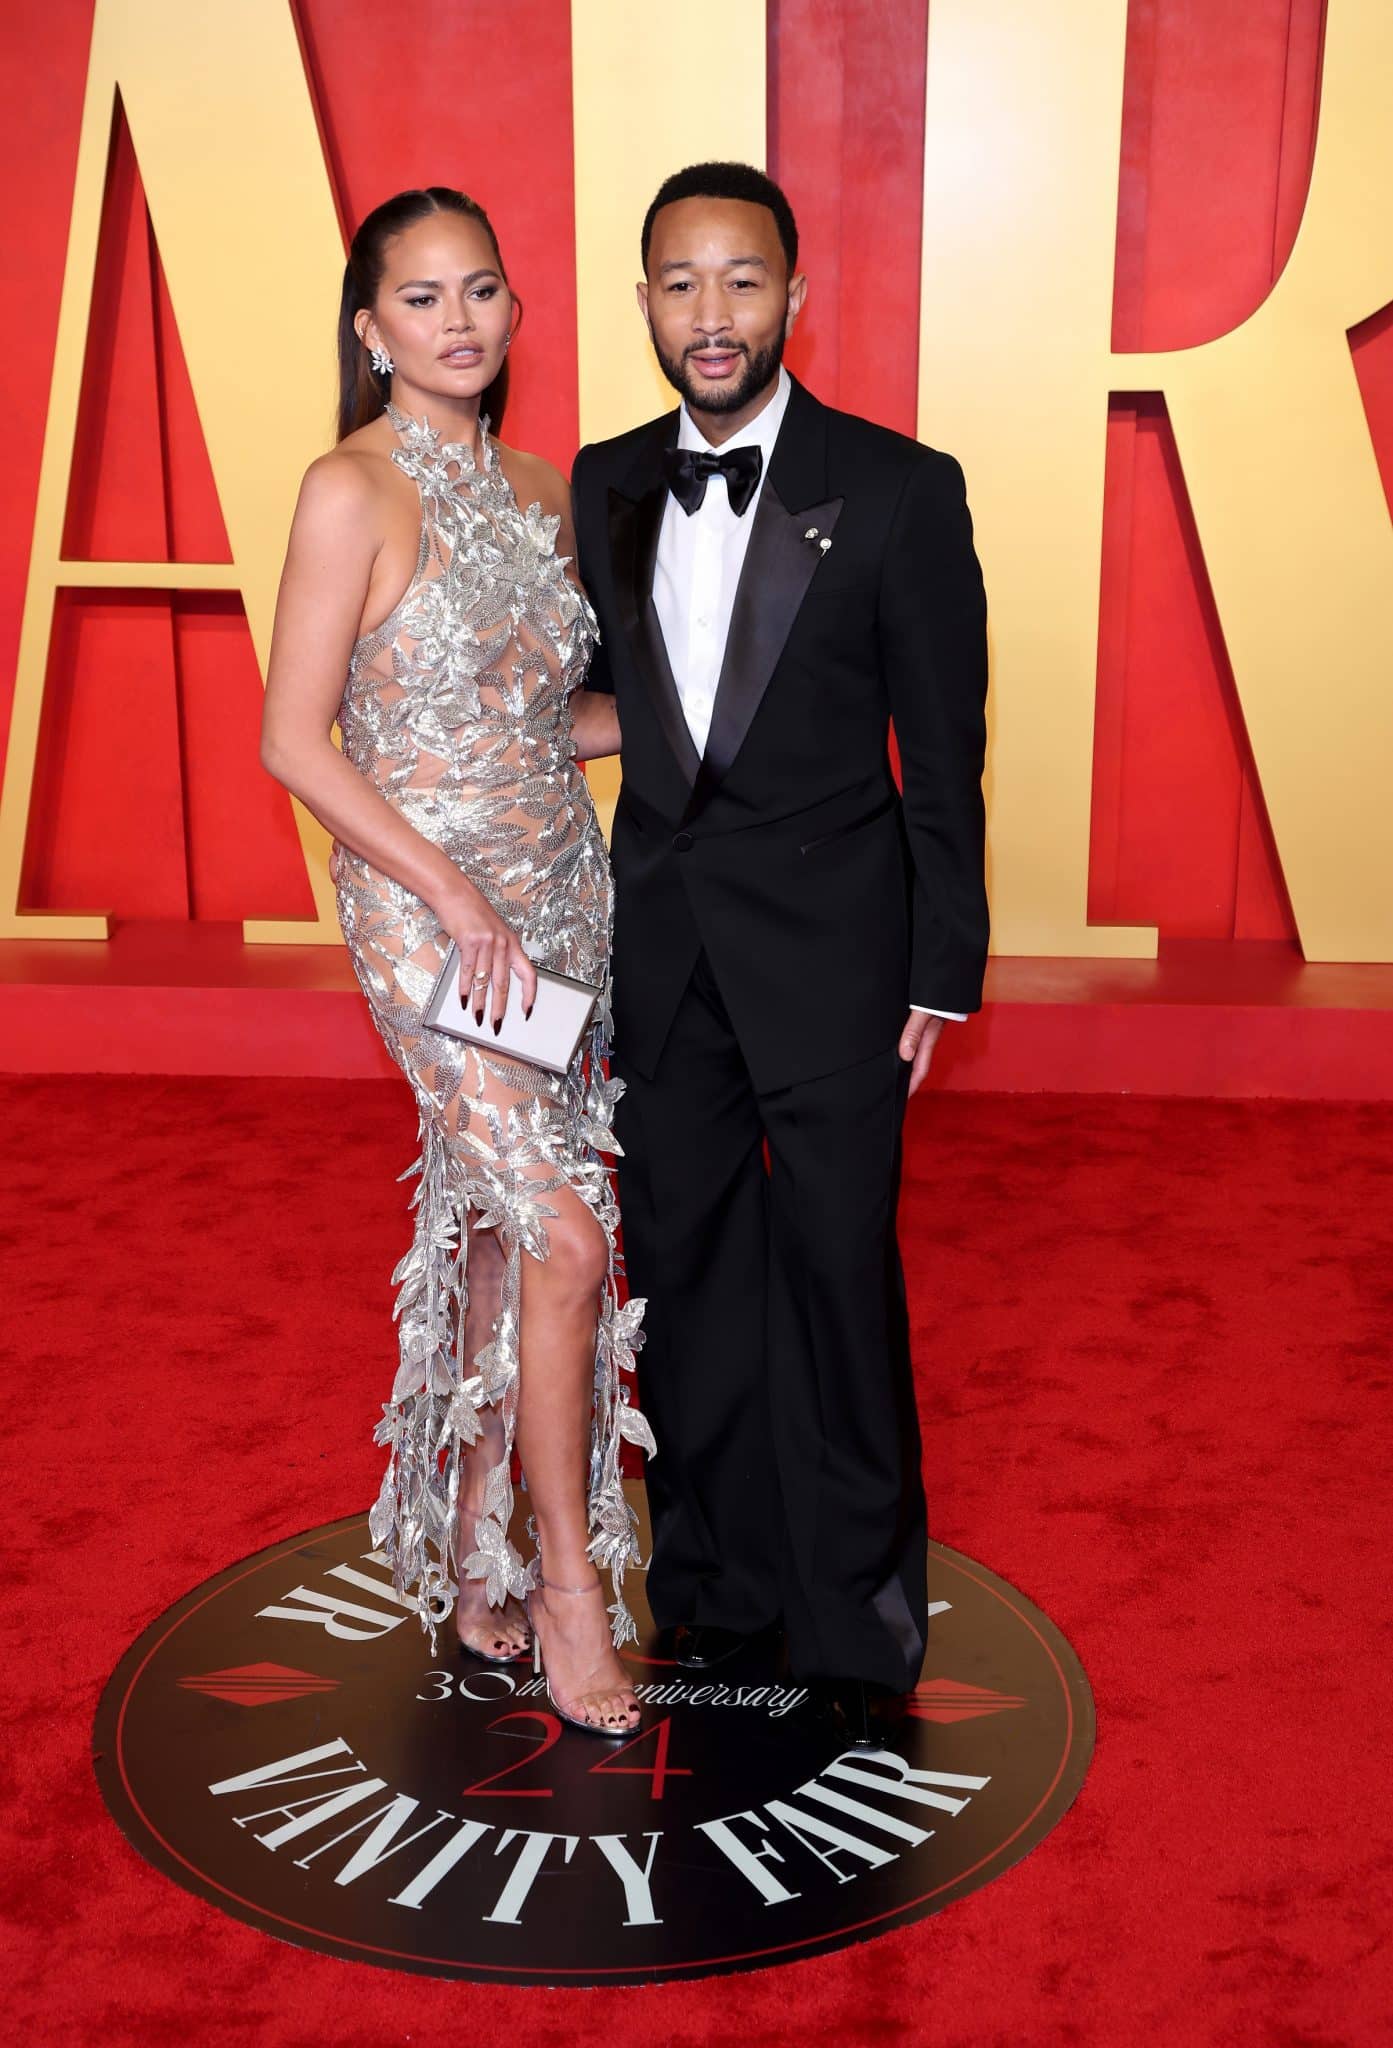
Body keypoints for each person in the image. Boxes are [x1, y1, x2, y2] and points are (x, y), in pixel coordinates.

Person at [569, 162, 988, 1741]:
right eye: (680, 283)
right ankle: (716, 1585)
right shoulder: (605, 480)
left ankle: (857, 1612)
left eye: (740, 281)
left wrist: (941, 964)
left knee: (836, 1274)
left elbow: (940, 749)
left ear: (792, 297)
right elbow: (616, 700)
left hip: (837, 961)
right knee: (681, 1278)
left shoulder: (896, 486)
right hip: (664, 956)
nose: (711, 314)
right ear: (644, 302)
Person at [260, 187, 649, 1737]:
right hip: (434, 920)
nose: (458, 321)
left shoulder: (541, 487)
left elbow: (547, 726)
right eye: (420, 300)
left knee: (505, 1239)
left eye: (480, 289)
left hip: (559, 900)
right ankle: (567, 1590)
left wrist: (732, 717)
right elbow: (297, 740)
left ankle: (478, 1557)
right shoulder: (347, 488)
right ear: (370, 330)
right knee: (569, 1242)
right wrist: (450, 894)